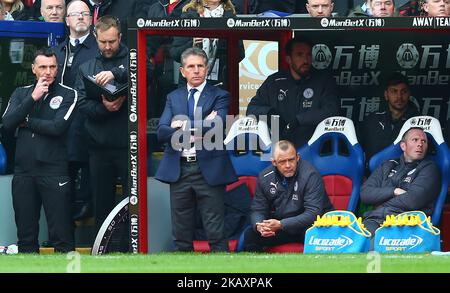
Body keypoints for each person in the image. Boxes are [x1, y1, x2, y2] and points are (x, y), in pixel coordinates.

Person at [155, 47, 237, 252]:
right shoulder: (173, 97)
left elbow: (218, 126)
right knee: (181, 235)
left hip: (209, 169)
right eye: (191, 67)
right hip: (179, 169)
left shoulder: (220, 95)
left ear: (207, 69)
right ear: (182, 71)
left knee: (215, 232)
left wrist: (182, 124)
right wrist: (201, 123)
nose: (196, 70)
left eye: (200, 66)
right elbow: (162, 132)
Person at [1, 47, 77, 253]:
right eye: (42, 67)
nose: (48, 72)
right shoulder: (21, 93)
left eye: (52, 66)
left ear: (57, 68)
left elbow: (57, 127)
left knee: (62, 237)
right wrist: (32, 98)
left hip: (54, 172)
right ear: (33, 69)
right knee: (26, 238)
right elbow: (7, 124)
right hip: (24, 172)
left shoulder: (69, 93)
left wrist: (26, 121)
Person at [74, 15, 128, 233]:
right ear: (95, 37)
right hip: (98, 145)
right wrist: (104, 108)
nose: (107, 46)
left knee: (130, 203)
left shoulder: (133, 58)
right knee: (101, 203)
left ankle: (130, 249)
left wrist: (115, 73)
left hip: (128, 143)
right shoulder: (86, 66)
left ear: (120, 37)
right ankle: (101, 253)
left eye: (112, 42)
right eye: (103, 41)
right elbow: (81, 103)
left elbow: (147, 72)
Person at [246, 36, 339, 149]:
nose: (305, 60)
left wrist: (299, 120)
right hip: (282, 152)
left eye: (308, 55)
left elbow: (331, 111)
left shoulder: (324, 81)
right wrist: (271, 114)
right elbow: (252, 108)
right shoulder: (274, 82)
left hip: (314, 150)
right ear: (288, 59)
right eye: (299, 55)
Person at [243, 140, 333, 252]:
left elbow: (313, 213)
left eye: (291, 160)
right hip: (282, 227)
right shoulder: (265, 177)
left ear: (298, 158)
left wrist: (281, 224)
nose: (288, 165)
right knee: (251, 235)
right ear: (274, 162)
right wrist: (260, 226)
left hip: (309, 226)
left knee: (312, 233)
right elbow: (258, 209)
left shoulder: (310, 175)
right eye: (282, 162)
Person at [55, 0, 98, 221]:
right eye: (76, 14)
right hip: (62, 125)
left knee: (91, 171)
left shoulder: (100, 48)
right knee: (63, 176)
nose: (81, 17)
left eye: (85, 13)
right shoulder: (58, 50)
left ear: (91, 19)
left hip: (92, 122)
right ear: (67, 20)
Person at [361, 127, 441, 234]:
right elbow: (365, 194)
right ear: (403, 146)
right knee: (354, 242)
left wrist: (381, 203)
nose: (420, 144)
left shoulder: (429, 168)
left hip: (408, 223)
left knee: (374, 244)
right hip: (375, 219)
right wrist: (394, 191)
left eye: (424, 141)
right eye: (415, 140)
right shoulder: (387, 165)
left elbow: (413, 200)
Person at [170, 0, 244, 90]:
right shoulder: (189, 15)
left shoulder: (230, 16)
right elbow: (175, 53)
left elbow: (240, 54)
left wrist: (221, 41)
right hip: (190, 85)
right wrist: (192, 45)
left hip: (221, 84)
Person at [358, 72, 419, 163]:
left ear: (409, 94)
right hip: (374, 174)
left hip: (406, 174)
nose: (399, 96)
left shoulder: (418, 121)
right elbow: (356, 151)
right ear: (386, 95)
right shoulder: (372, 120)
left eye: (403, 91)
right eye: (394, 91)